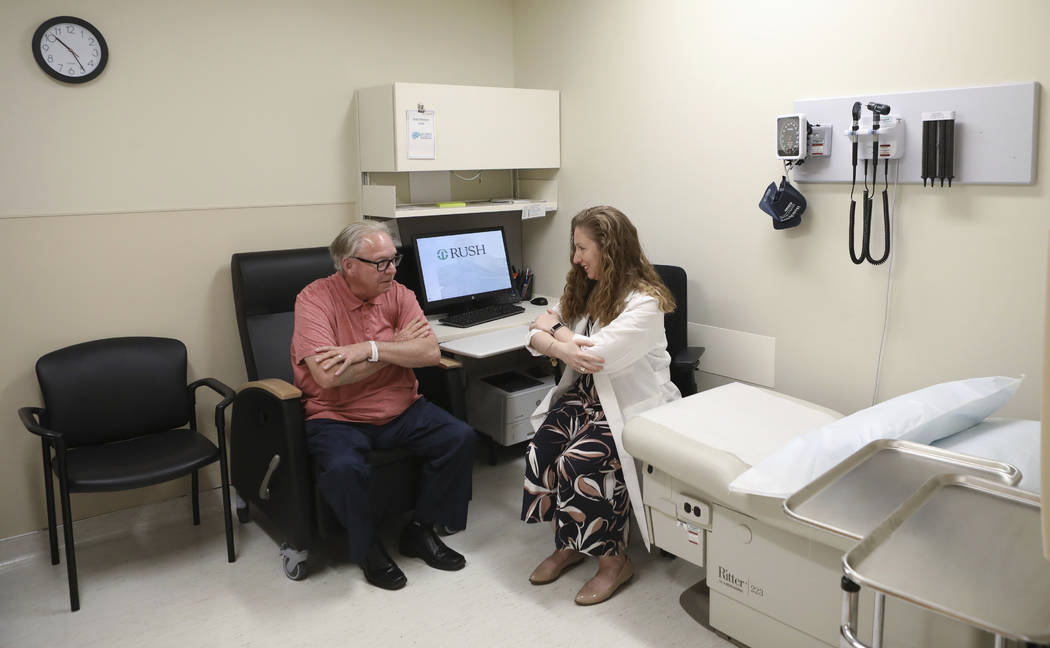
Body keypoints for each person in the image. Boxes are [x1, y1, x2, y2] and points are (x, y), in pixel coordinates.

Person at [291, 220, 476, 591]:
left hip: (402, 407)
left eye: (394, 260)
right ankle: (367, 547)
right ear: (349, 265)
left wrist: (367, 349)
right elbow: (328, 377)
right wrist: (393, 346)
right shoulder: (313, 300)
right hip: (337, 415)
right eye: (381, 263)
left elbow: (428, 352)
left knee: (459, 437)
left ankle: (420, 531)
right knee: (343, 468)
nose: (392, 270)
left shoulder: (400, 294)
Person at [522, 205, 680, 605]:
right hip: (585, 395)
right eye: (574, 248)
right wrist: (558, 338)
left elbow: (594, 355)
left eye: (582, 248)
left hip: (628, 404)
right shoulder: (584, 284)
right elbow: (535, 331)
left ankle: (614, 561)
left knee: (580, 462)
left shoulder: (644, 303)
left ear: (609, 249)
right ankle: (572, 542)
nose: (575, 258)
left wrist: (553, 338)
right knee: (542, 447)